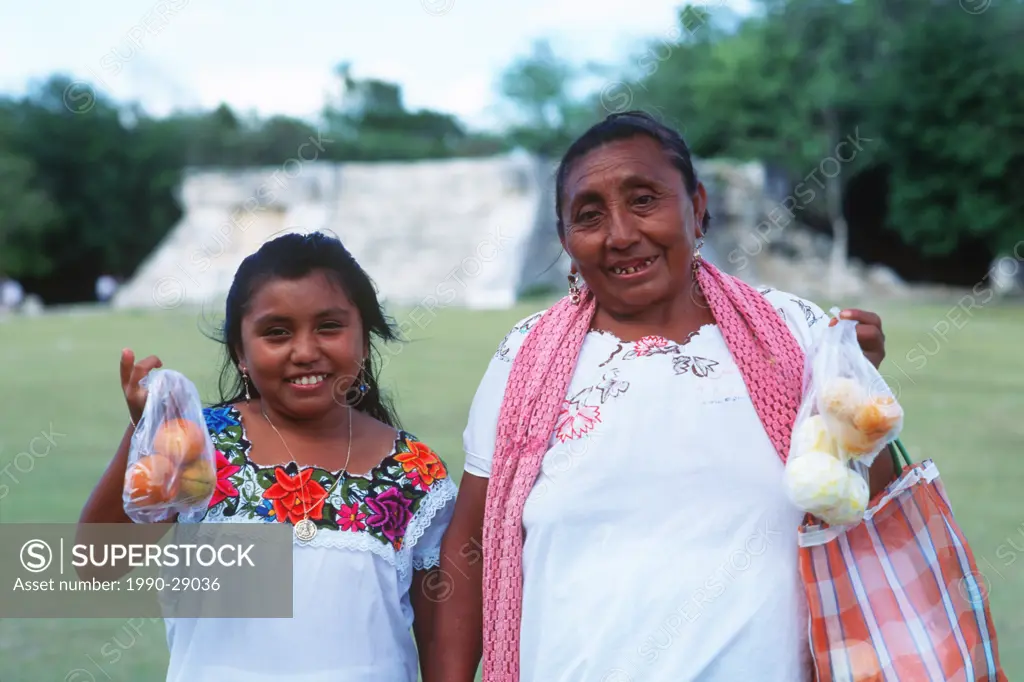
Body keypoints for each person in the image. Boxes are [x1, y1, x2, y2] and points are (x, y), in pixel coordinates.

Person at [432, 111, 894, 682]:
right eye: (589, 215)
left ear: (696, 207)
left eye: (644, 199)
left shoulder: (793, 332)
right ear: (565, 240)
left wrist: (857, 393)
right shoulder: (523, 358)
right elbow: (472, 545)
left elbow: (873, 511)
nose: (621, 234)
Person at [78, 231, 457, 682]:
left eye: (329, 327)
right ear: (240, 351)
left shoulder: (412, 471)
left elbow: (441, 636)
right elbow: (96, 564)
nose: (304, 351)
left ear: (364, 335)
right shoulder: (201, 444)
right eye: (276, 333)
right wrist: (147, 430)